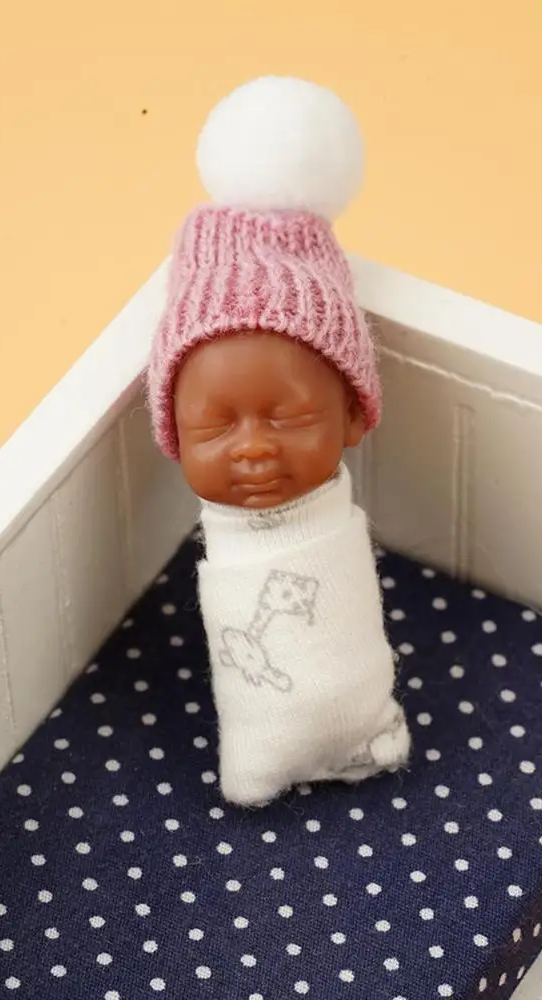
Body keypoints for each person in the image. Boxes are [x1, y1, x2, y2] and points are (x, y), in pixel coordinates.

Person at [147, 76, 411, 806]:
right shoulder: (226, 531)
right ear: (174, 435)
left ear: (353, 415)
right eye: (214, 427)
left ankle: (371, 732)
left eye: (288, 418)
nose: (253, 449)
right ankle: (259, 763)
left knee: (354, 669)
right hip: (252, 707)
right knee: (256, 716)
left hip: (360, 684)